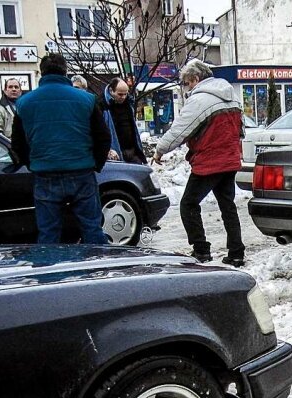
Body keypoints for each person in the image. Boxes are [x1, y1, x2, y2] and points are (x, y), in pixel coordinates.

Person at [152, 59, 245, 267]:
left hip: (209, 162)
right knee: (228, 206)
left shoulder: (200, 99)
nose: (187, 88)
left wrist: (160, 150)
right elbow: (241, 129)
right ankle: (236, 252)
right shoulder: (231, 96)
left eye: (187, 83)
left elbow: (180, 131)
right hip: (230, 160)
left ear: (195, 79)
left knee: (188, 204)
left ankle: (201, 250)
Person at [11, 54, 111, 245]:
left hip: (45, 174)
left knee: (48, 233)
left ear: (42, 72)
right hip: (81, 172)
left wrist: (33, 164)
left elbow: (18, 144)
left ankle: (51, 272)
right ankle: (98, 270)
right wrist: (95, 164)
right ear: (65, 72)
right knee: (92, 229)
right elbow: (103, 137)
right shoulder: (86, 99)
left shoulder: (24, 103)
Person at [99, 77, 146, 164]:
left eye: (125, 94)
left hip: (131, 150)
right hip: (114, 152)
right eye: (120, 94)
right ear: (111, 90)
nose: (123, 97)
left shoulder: (129, 103)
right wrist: (107, 149)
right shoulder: (101, 105)